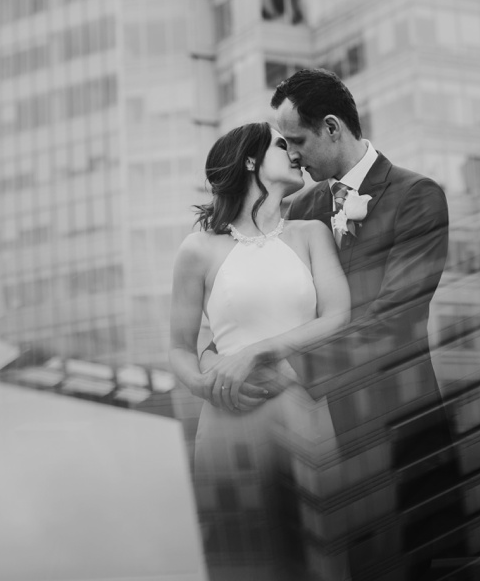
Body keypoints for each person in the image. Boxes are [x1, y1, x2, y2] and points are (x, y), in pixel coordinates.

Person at [272, 69, 462, 579]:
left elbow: (396, 322)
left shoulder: (418, 196)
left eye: (297, 142)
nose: (290, 157)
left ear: (332, 127)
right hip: (320, 449)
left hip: (404, 435)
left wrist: (291, 370)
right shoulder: (299, 210)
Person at [170, 121, 351, 581]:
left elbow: (336, 317)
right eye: (279, 144)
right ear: (251, 160)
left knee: (321, 555)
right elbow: (178, 349)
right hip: (229, 417)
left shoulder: (312, 233)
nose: (293, 151)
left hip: (303, 410)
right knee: (242, 560)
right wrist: (207, 384)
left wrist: (256, 354)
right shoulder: (198, 249)